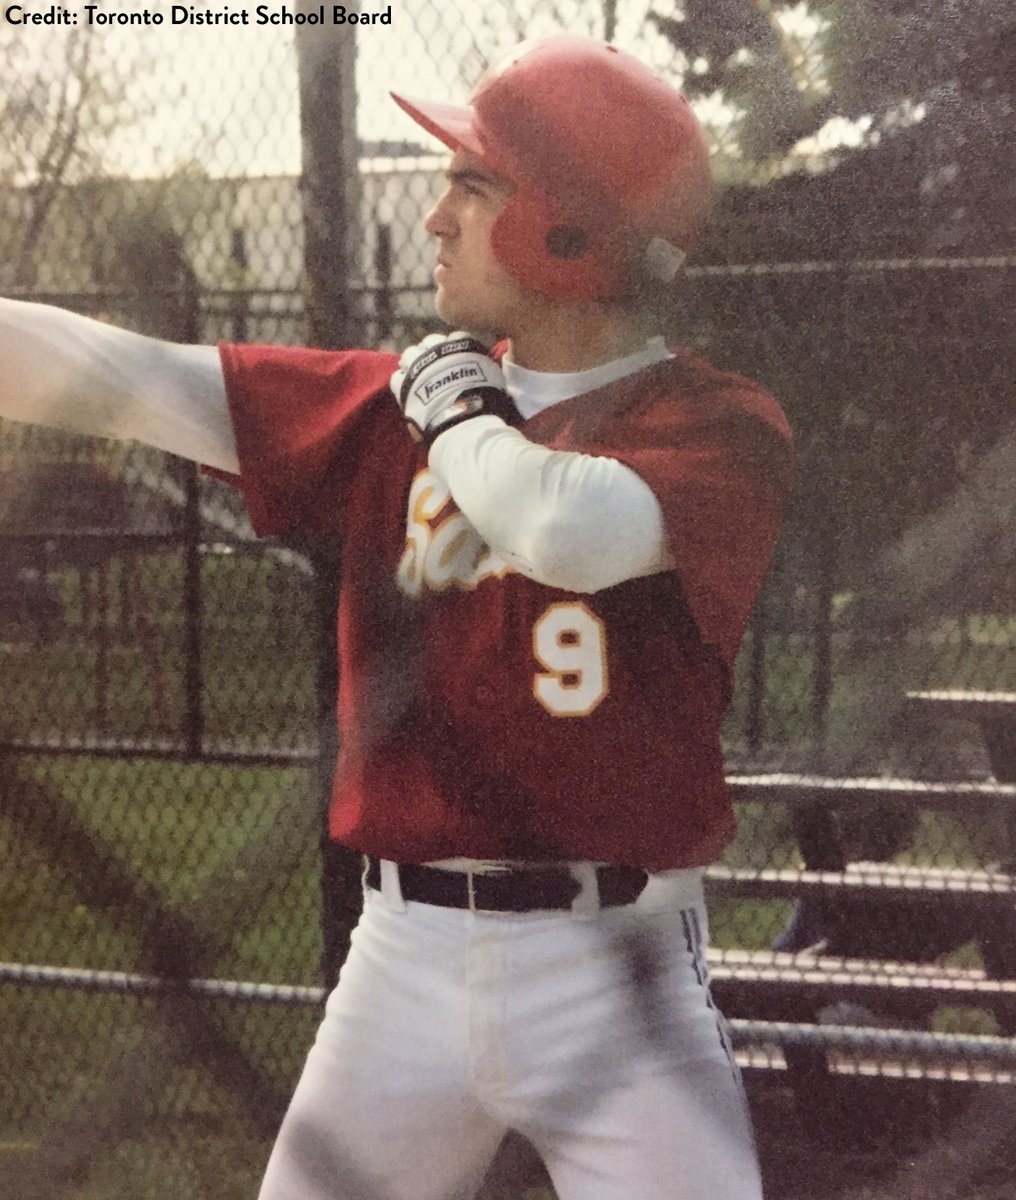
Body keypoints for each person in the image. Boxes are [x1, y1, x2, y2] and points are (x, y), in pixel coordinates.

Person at [0, 35, 792, 1200]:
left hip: (617, 973)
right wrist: (442, 403)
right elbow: (121, 377)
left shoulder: (711, 422)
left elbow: (565, 530)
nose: (434, 218)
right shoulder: (393, 408)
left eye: (473, 187)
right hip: (402, 961)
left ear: (563, 228)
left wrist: (458, 411)